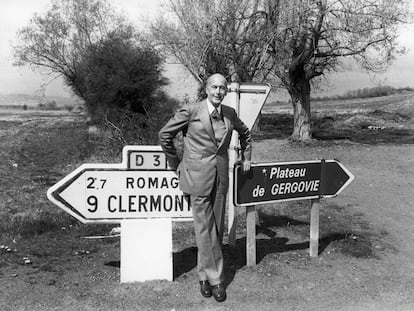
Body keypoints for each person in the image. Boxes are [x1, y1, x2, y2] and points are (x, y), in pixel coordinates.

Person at [158, 73, 251, 302]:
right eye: (214, 87)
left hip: (221, 177)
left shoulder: (229, 113)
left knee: (216, 230)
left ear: (226, 91)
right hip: (197, 178)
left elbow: (246, 134)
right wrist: (176, 164)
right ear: (206, 89)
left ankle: (202, 275)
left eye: (222, 88)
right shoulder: (191, 111)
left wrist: (247, 157)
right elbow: (165, 135)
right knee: (204, 229)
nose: (218, 91)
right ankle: (216, 279)